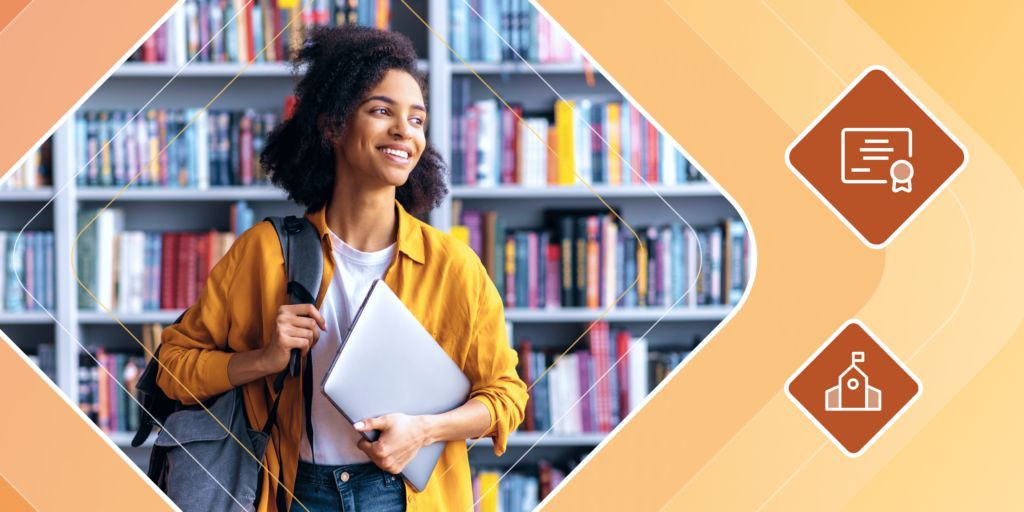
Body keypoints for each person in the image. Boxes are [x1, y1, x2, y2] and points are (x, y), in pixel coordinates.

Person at [155, 24, 528, 512]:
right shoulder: (263, 252)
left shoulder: (454, 265)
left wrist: (424, 430)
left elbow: (506, 397)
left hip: (403, 495)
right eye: (381, 111)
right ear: (333, 126)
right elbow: (171, 368)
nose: (404, 131)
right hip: (293, 492)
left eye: (417, 120)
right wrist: (263, 359)